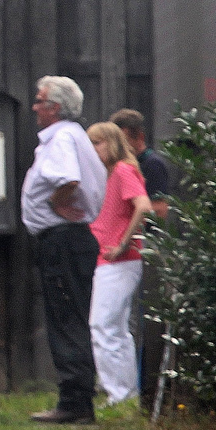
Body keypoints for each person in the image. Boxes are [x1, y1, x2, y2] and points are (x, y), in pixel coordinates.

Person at [21, 75, 108, 424]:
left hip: (63, 239)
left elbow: (67, 179)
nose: (35, 107)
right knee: (72, 314)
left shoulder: (60, 139)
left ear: (54, 108)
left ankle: (75, 402)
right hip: (72, 239)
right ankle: (77, 397)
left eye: (40, 101)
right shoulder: (72, 136)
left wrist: (57, 205)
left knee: (67, 317)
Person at [86, 121, 153, 406]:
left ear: (111, 143)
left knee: (101, 325)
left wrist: (125, 242)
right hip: (114, 258)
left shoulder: (123, 170)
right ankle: (126, 393)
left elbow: (144, 206)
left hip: (118, 259)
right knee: (117, 329)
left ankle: (118, 392)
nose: (93, 150)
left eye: (97, 143)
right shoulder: (112, 173)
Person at [110, 109, 173, 221]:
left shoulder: (153, 165)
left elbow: (160, 209)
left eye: (124, 141)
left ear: (140, 137)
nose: (118, 147)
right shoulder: (118, 165)